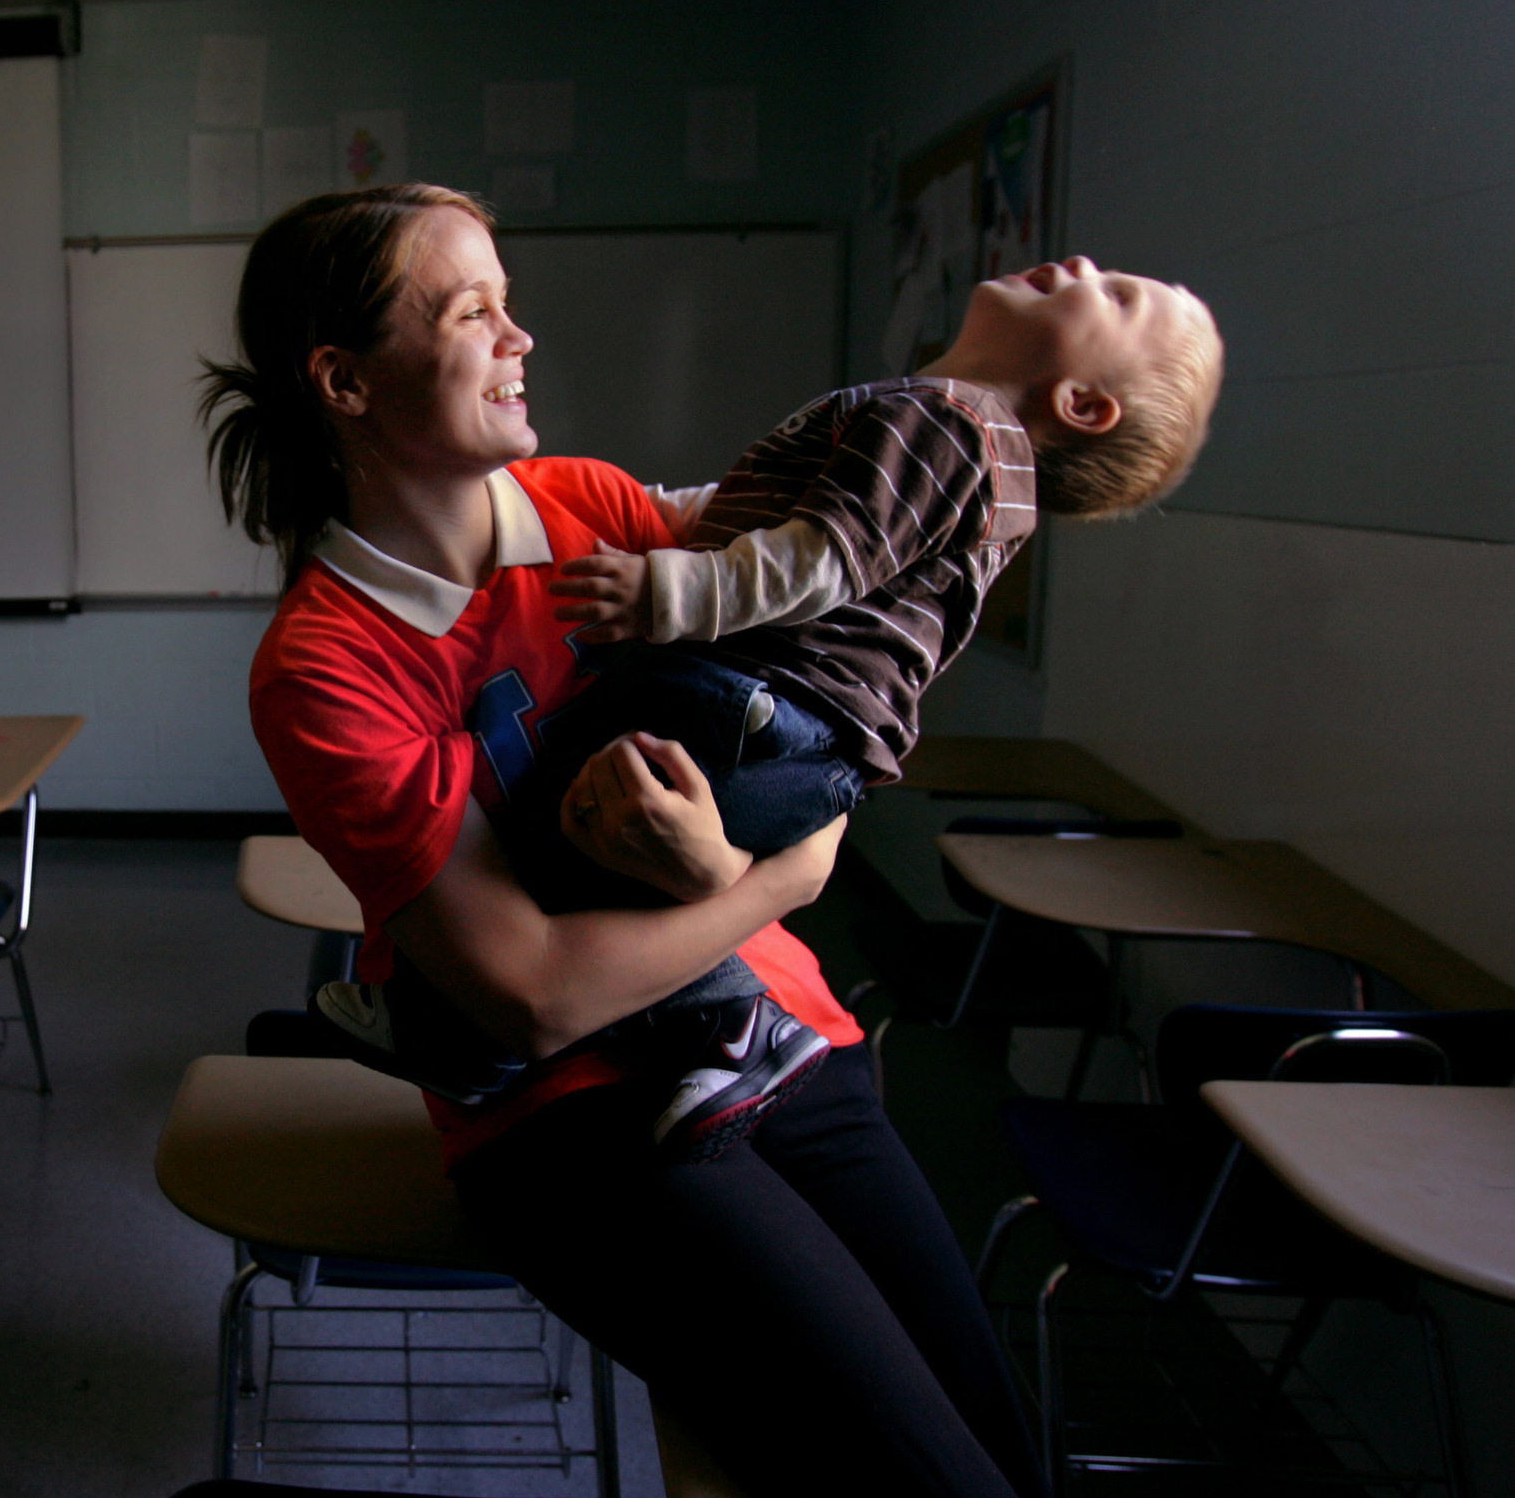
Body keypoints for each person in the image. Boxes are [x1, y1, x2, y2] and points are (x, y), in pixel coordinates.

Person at [215, 182, 1059, 1498]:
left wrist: (737, 860)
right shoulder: (326, 662)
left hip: (789, 1035)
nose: (520, 336)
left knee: (1005, 1462)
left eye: (510, 297)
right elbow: (533, 995)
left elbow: (820, 705)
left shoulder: (596, 509)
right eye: (472, 308)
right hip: (581, 1122)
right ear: (345, 380)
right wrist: (773, 880)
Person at [309, 256, 1225, 1160]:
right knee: (606, 852)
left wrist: (670, 594)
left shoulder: (946, 420)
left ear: (1082, 404)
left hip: (755, 699)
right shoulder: (967, 454)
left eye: (1117, 294)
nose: (1081, 262)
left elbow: (821, 557)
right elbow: (746, 518)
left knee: (560, 800)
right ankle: (514, 1033)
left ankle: (694, 1027)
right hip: (811, 742)